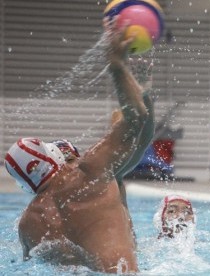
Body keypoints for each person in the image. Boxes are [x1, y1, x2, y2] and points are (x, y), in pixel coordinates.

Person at [4, 18, 154, 273]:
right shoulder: (91, 173)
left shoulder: (27, 226)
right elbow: (138, 121)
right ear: (54, 157)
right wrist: (118, 67)